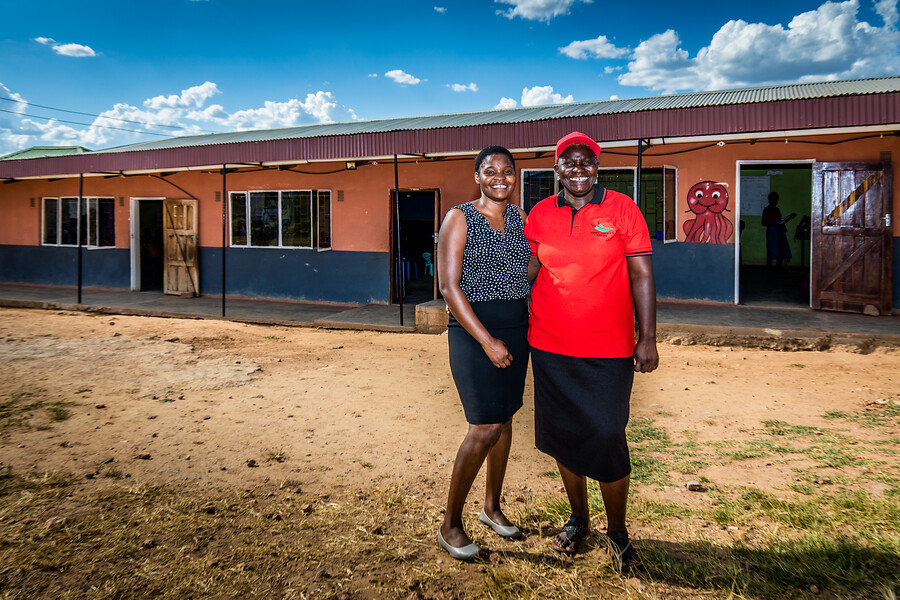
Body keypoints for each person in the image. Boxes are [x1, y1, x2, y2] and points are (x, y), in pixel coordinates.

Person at [524, 131, 659, 571]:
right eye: (569, 162)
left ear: (597, 166)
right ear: (557, 170)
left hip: (608, 348)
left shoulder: (623, 208)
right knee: (564, 438)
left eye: (586, 162)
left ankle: (617, 531)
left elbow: (641, 275)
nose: (577, 170)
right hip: (550, 346)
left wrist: (648, 336)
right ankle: (578, 518)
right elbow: (526, 274)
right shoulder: (541, 214)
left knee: (605, 435)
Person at [436, 145, 531, 560]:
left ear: (515, 176)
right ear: (477, 176)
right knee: (484, 426)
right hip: (475, 334)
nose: (499, 177)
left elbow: (525, 269)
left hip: (517, 329)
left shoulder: (520, 218)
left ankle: (492, 507)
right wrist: (487, 341)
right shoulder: (459, 217)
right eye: (490, 171)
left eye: (507, 171)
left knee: (505, 420)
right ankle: (450, 525)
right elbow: (449, 287)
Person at [761, 192, 794, 269]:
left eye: (776, 199)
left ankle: (778, 268)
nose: (775, 201)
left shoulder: (777, 209)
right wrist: (774, 224)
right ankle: (769, 268)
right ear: (769, 200)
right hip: (772, 232)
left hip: (779, 231)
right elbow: (763, 222)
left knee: (781, 250)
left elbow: (779, 220)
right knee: (772, 250)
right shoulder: (767, 210)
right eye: (773, 199)